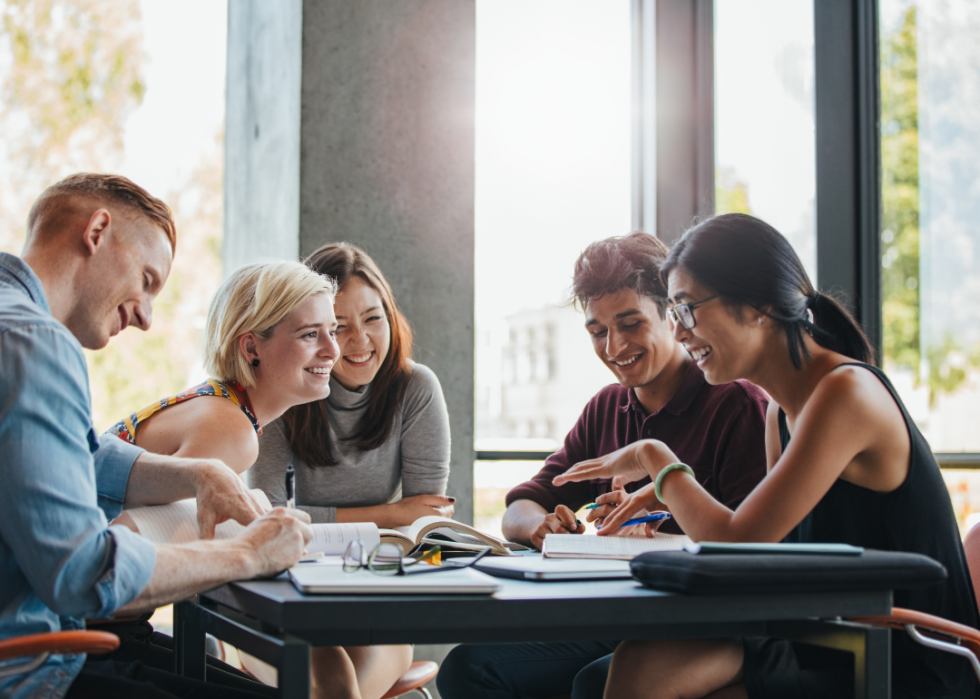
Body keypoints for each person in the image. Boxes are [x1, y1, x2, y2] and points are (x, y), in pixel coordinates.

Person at [554, 213, 980, 699]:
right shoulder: (780, 411)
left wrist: (656, 459)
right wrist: (667, 493)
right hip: (826, 635)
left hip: (901, 657)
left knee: (637, 675)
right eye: (673, 313)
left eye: (687, 309)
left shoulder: (845, 393)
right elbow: (763, 553)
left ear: (758, 305)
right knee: (632, 664)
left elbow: (737, 542)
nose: (680, 331)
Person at [0, 173, 313, 699]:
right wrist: (252, 554)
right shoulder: (36, 344)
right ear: (97, 231)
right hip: (31, 669)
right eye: (147, 279)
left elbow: (64, 453)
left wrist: (198, 473)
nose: (146, 317)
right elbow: (83, 574)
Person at [437, 232, 770, 699]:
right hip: (621, 619)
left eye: (631, 324)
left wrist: (656, 538)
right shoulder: (607, 407)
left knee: (595, 682)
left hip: (706, 627)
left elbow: (749, 552)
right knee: (468, 668)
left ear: (672, 316)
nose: (614, 347)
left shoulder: (735, 403)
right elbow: (520, 505)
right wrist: (541, 526)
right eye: (597, 331)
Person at [247, 242, 452, 699]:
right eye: (338, 327)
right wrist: (390, 514)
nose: (359, 342)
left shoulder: (416, 388)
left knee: (339, 692)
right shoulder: (283, 393)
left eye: (373, 318)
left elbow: (426, 524)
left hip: (378, 596)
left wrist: (322, 516)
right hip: (293, 595)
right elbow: (267, 522)